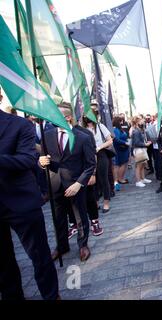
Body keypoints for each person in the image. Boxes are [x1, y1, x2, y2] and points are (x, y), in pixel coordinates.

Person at [0, 89, 59, 300]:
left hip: (21, 202)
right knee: (3, 264)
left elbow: (27, 159)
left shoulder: (19, 125)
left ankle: (51, 295)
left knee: (40, 257)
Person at [39, 105, 96, 262]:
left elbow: (90, 164)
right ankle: (61, 246)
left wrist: (79, 183)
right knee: (58, 218)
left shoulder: (83, 136)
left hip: (75, 185)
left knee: (80, 216)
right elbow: (44, 160)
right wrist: (41, 162)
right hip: (55, 185)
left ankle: (83, 245)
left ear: (67, 118)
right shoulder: (47, 136)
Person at [83, 110, 113, 213]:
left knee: (103, 179)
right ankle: (95, 202)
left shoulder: (100, 126)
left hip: (101, 154)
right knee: (92, 180)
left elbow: (110, 140)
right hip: (88, 156)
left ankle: (106, 202)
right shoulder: (83, 129)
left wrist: (99, 147)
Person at [131, 116, 152, 187]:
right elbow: (136, 143)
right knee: (139, 166)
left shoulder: (138, 130)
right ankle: (138, 181)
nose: (143, 121)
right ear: (137, 122)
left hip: (141, 149)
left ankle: (143, 178)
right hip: (138, 149)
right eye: (141, 120)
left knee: (142, 164)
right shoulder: (136, 131)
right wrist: (145, 144)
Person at [112, 116, 130, 188]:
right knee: (121, 164)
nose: (122, 122)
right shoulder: (116, 130)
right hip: (120, 149)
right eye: (121, 121)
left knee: (123, 163)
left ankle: (120, 178)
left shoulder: (119, 129)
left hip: (123, 148)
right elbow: (116, 139)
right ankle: (119, 179)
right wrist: (125, 142)